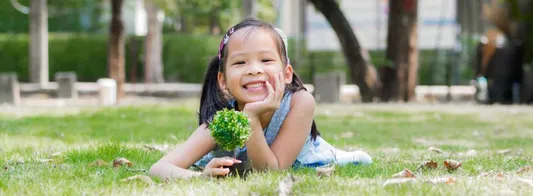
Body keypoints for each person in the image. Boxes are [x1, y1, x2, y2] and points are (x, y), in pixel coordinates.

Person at [149, 19, 372, 180]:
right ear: (223, 80)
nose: (254, 70)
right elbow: (160, 168)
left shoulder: (300, 102)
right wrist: (200, 177)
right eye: (240, 63)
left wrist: (252, 118)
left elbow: (270, 172)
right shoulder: (224, 121)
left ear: (286, 74)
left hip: (297, 158)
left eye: (265, 60)